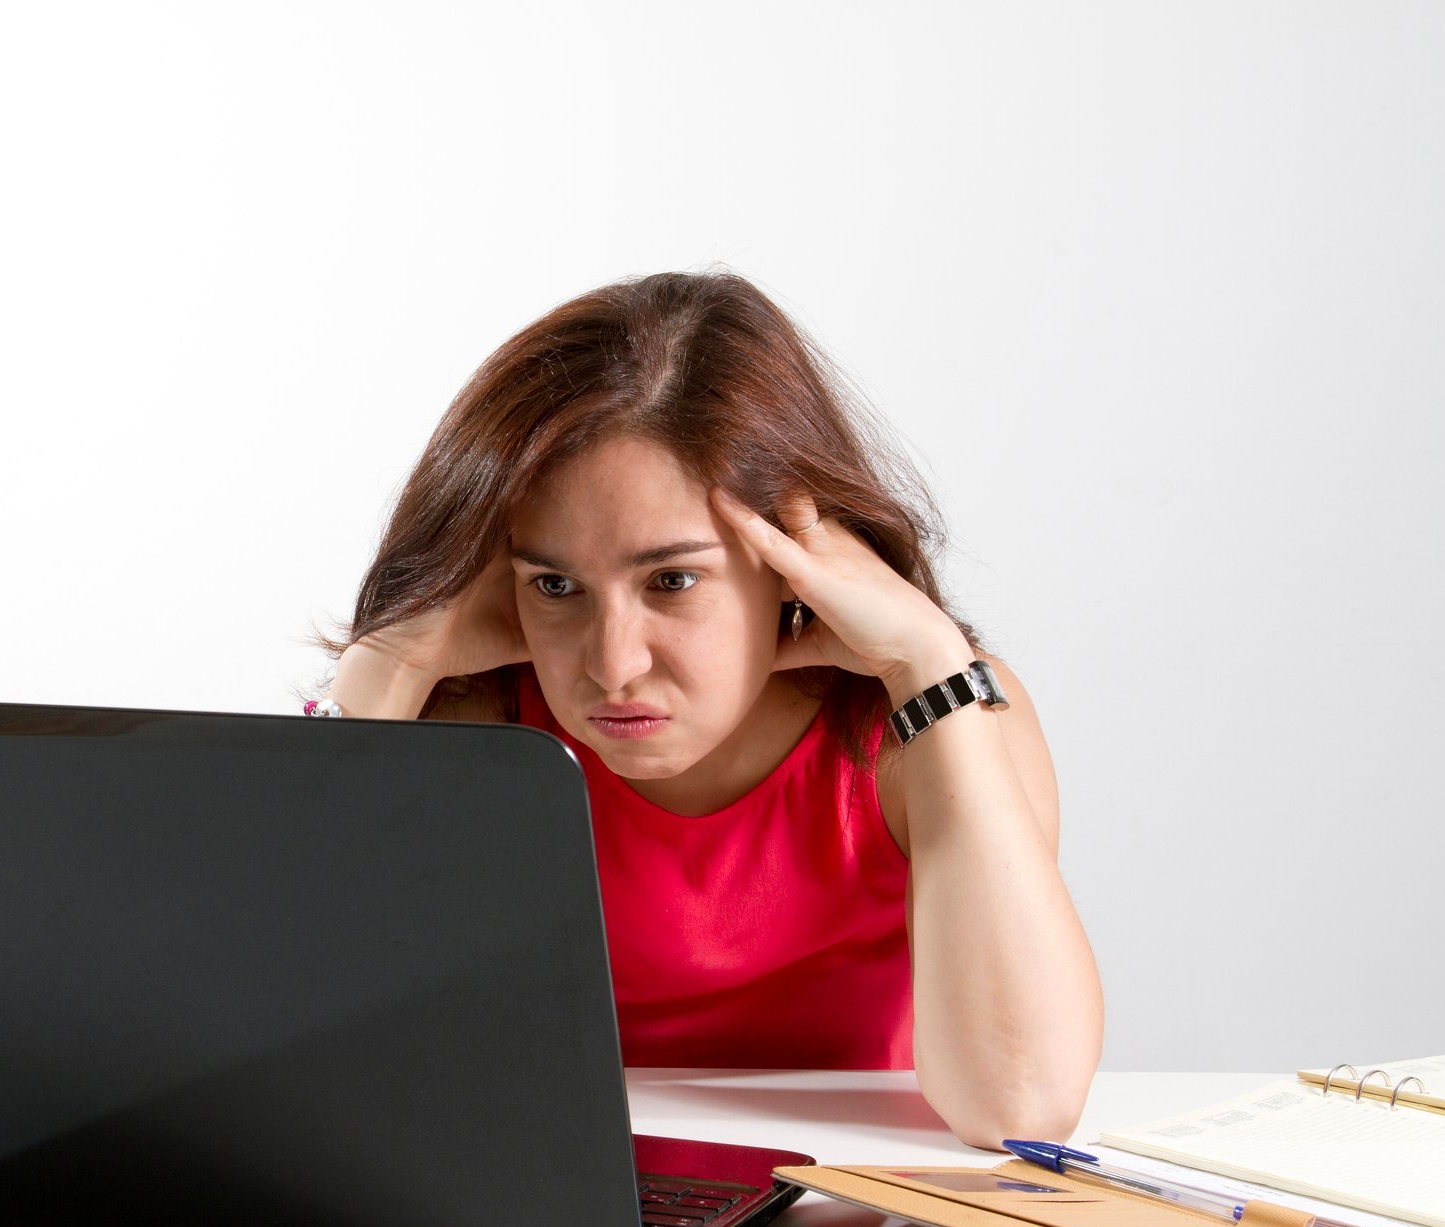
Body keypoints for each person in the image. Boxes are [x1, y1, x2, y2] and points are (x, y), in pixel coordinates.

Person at [312, 270, 1101, 1151]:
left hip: (851, 1208)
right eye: (557, 585)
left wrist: (927, 666)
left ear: (794, 561)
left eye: (672, 580)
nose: (613, 665)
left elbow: (1020, 1106)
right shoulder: (474, 720)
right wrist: (385, 666)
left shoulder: (932, 717)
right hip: (552, 1201)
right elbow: (290, 1067)